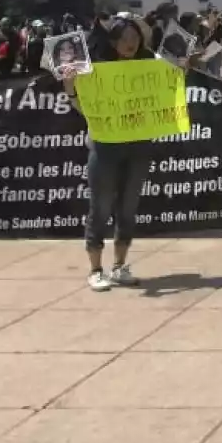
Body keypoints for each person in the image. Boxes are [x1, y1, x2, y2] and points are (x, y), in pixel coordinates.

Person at [65, 15, 164, 292]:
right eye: (124, 38)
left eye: (135, 39)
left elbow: (166, 94)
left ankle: (120, 266)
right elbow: (83, 108)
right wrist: (70, 87)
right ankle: (96, 269)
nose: (130, 43)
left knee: (128, 209)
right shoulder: (95, 71)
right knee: (101, 207)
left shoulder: (149, 68)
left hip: (139, 145)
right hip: (105, 146)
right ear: (112, 42)